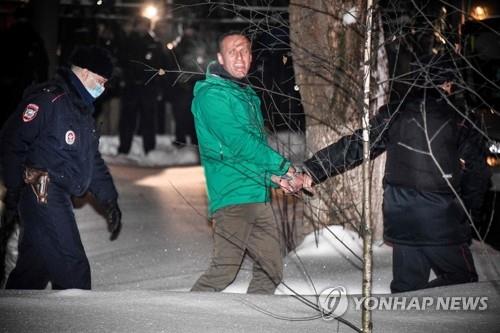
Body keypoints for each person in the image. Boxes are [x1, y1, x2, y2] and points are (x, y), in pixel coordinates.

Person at [288, 54, 489, 293]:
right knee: (463, 283)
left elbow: (355, 146)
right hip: (442, 220)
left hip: (401, 217)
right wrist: (467, 218)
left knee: (407, 290)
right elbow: (477, 176)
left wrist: (313, 169)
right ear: (447, 83)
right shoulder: (460, 119)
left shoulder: (395, 113)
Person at [0, 45, 122, 290]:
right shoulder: (50, 100)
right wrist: (13, 187)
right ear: (86, 73)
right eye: (101, 81)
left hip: (56, 193)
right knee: (72, 266)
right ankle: (76, 319)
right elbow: (12, 139)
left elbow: (92, 160)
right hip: (41, 189)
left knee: (34, 269)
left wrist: (109, 199)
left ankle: (16, 310)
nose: (103, 88)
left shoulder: (81, 109)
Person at [190, 32, 296, 294]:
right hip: (232, 197)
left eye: (245, 51)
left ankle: (253, 320)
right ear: (220, 58)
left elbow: (245, 154)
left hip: (256, 195)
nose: (240, 57)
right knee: (223, 271)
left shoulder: (246, 95)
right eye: (233, 52)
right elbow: (240, 143)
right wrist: (284, 166)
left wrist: (273, 177)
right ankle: (185, 318)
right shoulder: (211, 95)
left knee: (271, 270)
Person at [117, 17, 165, 156]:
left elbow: (160, 66)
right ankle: (124, 150)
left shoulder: (154, 44)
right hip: (131, 87)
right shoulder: (126, 42)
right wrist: (125, 78)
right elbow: (121, 62)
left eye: (144, 25)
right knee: (127, 120)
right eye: (139, 25)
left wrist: (158, 85)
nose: (142, 28)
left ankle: (149, 150)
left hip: (148, 88)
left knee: (148, 120)